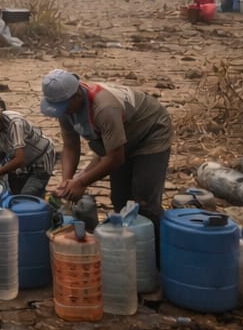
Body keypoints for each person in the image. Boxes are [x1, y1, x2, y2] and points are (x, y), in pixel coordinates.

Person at [40, 69, 173, 232]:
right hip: (121, 139)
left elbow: (115, 159)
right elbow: (70, 146)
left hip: (151, 134)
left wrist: (81, 182)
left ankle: (156, 245)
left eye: (64, 106)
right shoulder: (65, 109)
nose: (62, 111)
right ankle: (126, 241)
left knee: (144, 201)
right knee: (120, 198)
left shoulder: (104, 108)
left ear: (77, 95)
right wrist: (67, 183)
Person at [0, 94, 57, 197]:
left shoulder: (15, 123)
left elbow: (19, 160)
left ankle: (45, 204)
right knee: (14, 194)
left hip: (40, 161)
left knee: (26, 198)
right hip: (22, 165)